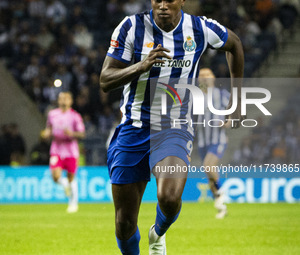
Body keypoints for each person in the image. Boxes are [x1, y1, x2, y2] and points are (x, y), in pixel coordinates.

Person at [100, 0, 245, 254]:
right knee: (124, 222)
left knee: (169, 198)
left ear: (182, 1)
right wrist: (140, 66)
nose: (163, 5)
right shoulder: (131, 27)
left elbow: (234, 44)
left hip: (173, 126)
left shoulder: (199, 28)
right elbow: (105, 79)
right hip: (133, 127)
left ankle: (157, 234)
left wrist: (237, 97)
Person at [42, 92, 85, 213]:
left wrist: (72, 133)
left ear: (71, 101)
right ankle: (65, 184)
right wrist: (47, 134)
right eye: (61, 99)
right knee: (55, 176)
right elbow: (49, 129)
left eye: (66, 99)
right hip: (56, 149)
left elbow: (82, 133)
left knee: (71, 177)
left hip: (71, 150)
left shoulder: (75, 116)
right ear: (58, 101)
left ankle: (73, 203)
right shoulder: (52, 114)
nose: (63, 101)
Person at [197, 68, 231, 219]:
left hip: (218, 140)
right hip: (202, 142)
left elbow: (234, 113)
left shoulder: (222, 94)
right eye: (201, 75)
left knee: (208, 165)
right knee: (209, 175)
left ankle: (221, 192)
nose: (204, 78)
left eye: (207, 75)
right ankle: (220, 205)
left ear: (213, 78)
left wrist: (227, 123)